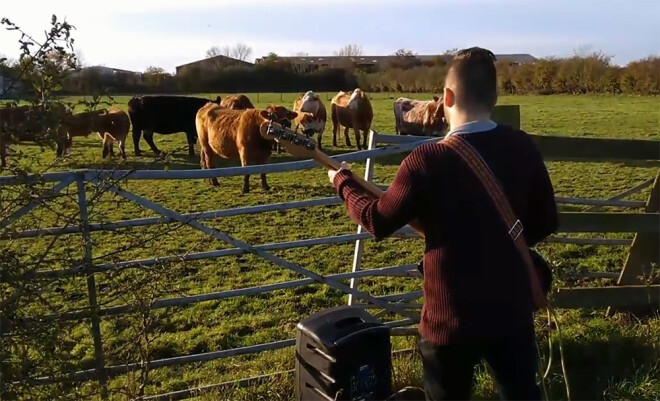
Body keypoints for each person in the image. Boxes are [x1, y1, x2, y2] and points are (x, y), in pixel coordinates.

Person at [328, 47, 558, 400]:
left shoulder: (426, 159)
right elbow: (544, 223)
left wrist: (343, 183)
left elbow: (376, 220)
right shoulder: (522, 147)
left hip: (449, 319)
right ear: (495, 96)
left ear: (446, 96)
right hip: (511, 311)